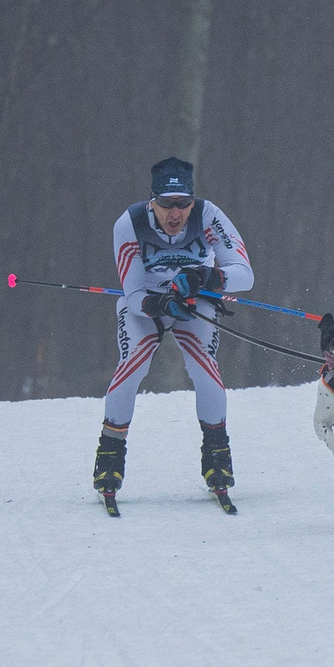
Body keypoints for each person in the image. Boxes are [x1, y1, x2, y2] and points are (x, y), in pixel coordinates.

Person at [95, 156, 254, 507]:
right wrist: (161, 305)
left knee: (204, 367)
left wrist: (207, 277)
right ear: (153, 200)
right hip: (147, 304)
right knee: (133, 364)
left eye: (183, 203)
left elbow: (245, 274)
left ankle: (217, 459)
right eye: (166, 203)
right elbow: (134, 293)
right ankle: (110, 457)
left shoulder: (209, 216)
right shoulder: (130, 223)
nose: (175, 213)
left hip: (195, 299)